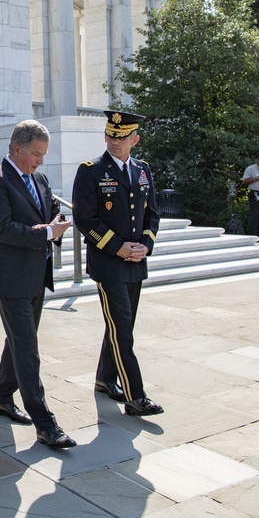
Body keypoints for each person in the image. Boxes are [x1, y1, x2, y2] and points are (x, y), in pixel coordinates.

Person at [0, 120, 76, 449]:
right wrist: (49, 232)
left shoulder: (40, 178)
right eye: (36, 153)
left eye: (44, 154)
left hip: (37, 274)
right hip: (9, 277)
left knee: (21, 340)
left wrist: (57, 223)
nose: (40, 160)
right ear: (16, 148)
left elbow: (49, 211)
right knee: (27, 349)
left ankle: (2, 397)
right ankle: (45, 422)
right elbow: (2, 230)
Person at [72, 110, 164, 417]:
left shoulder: (142, 170)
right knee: (122, 326)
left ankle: (104, 378)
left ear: (134, 139)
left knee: (121, 325)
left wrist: (145, 246)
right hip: (108, 262)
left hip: (136, 261)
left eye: (121, 137)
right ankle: (135, 396)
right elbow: (85, 218)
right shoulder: (91, 170)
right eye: (111, 135)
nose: (114, 141)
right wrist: (118, 247)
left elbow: (153, 213)